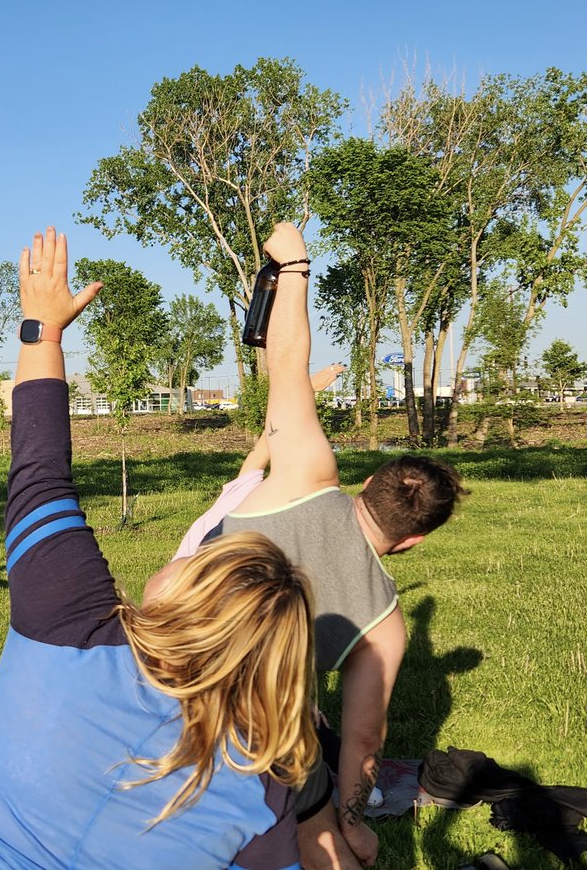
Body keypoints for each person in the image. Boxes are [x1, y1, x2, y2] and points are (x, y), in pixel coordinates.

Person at [0, 227, 319, 869]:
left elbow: (40, 473)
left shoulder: (69, 621)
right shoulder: (262, 782)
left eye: (200, 561)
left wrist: (43, 331)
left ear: (188, 601)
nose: (189, 552)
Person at [146, 223, 467, 869]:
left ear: (368, 482)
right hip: (245, 737)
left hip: (149, 674)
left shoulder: (305, 473)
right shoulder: (384, 624)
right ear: (409, 542)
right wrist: (353, 825)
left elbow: (286, 360)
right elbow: (363, 740)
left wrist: (293, 265)